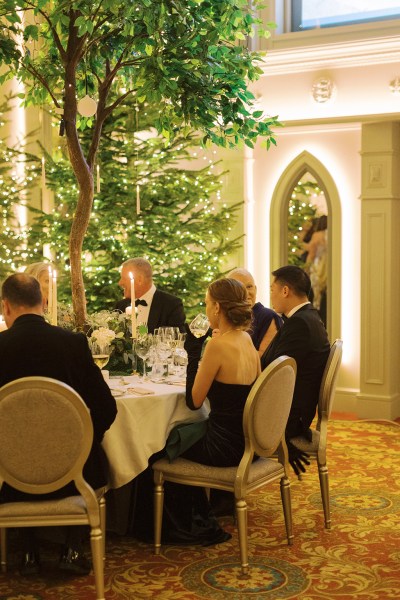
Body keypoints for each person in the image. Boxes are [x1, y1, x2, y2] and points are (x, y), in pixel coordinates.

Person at [0, 273, 117, 576]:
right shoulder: (72, 343)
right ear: (43, 303)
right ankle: (73, 547)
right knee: (97, 453)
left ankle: (27, 550)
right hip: (72, 474)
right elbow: (106, 408)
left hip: (8, 477)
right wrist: (80, 442)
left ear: (5, 307)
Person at [133, 278, 260, 540]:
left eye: (206, 303)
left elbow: (194, 402)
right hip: (249, 440)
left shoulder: (218, 345)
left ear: (216, 308)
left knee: (154, 443)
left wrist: (192, 352)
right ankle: (192, 516)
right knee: (178, 433)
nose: (205, 308)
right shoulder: (246, 340)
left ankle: (178, 526)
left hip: (223, 446)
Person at [260, 266, 330, 476]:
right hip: (296, 410)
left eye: (272, 289)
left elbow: (274, 374)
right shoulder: (310, 317)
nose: (270, 295)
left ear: (285, 291)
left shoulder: (300, 323)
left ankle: (222, 495)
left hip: (288, 418)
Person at [115, 257, 186, 333]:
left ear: (139, 280)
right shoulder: (121, 306)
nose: (120, 283)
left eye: (124, 278)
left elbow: (176, 339)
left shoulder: (171, 305)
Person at [228, 268, 282, 356]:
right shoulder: (226, 317)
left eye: (249, 287)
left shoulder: (267, 316)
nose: (246, 292)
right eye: (239, 288)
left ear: (255, 289)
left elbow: (265, 358)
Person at [303, 215, 328, 325]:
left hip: (318, 267)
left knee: (316, 295)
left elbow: (311, 255)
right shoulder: (333, 234)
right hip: (328, 267)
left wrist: (305, 271)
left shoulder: (317, 235)